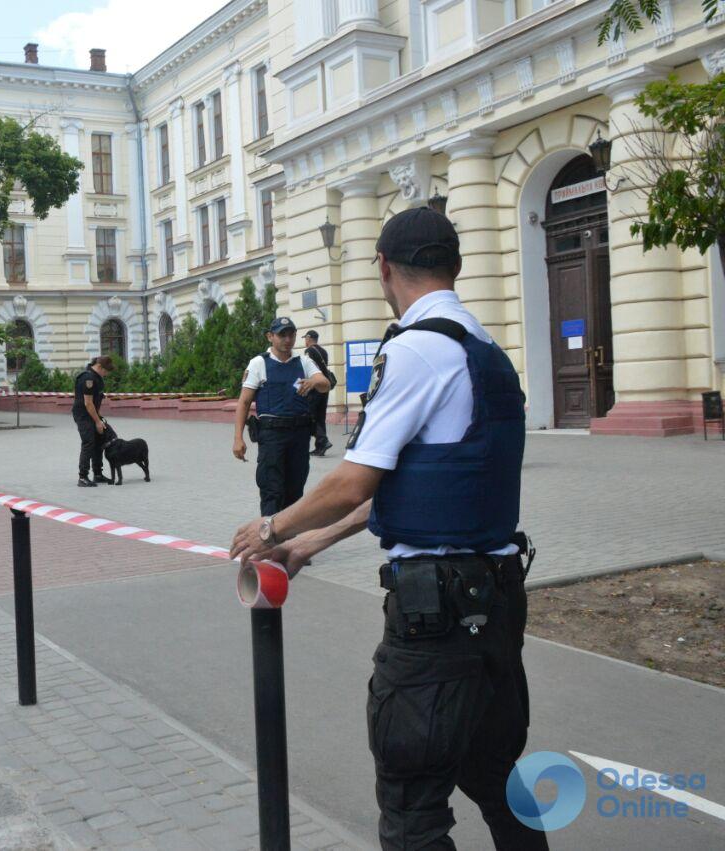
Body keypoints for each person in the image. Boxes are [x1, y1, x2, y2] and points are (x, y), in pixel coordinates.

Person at [230, 207, 544, 851]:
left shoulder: (415, 350)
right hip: (497, 597)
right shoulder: (487, 352)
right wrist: (308, 543)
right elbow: (425, 488)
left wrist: (270, 526)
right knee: (495, 777)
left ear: (382, 269)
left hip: (436, 614)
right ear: (455, 267)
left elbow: (354, 481)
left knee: (412, 809)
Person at [232, 317, 330, 515]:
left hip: (299, 435)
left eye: (291, 334)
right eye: (282, 335)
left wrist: (313, 382)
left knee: (295, 489)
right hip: (271, 436)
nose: (287, 339)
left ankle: (290, 537)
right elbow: (244, 402)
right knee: (272, 489)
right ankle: (269, 538)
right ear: (270, 337)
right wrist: (237, 438)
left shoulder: (303, 361)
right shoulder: (259, 363)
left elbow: (325, 383)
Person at [73, 356, 113, 487]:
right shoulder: (88, 378)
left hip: (92, 413)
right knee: (89, 442)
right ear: (100, 367)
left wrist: (99, 419)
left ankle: (97, 474)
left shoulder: (97, 377)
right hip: (83, 415)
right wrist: (97, 422)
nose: (107, 374)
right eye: (106, 371)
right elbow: (88, 403)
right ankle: (83, 477)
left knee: (99, 441)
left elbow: (96, 402)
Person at [303, 330, 335, 456]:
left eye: (305, 338)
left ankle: (323, 440)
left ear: (309, 338)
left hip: (315, 387)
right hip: (325, 387)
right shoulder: (323, 351)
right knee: (321, 417)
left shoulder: (309, 351)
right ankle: (320, 447)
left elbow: (308, 370)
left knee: (311, 416)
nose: (304, 340)